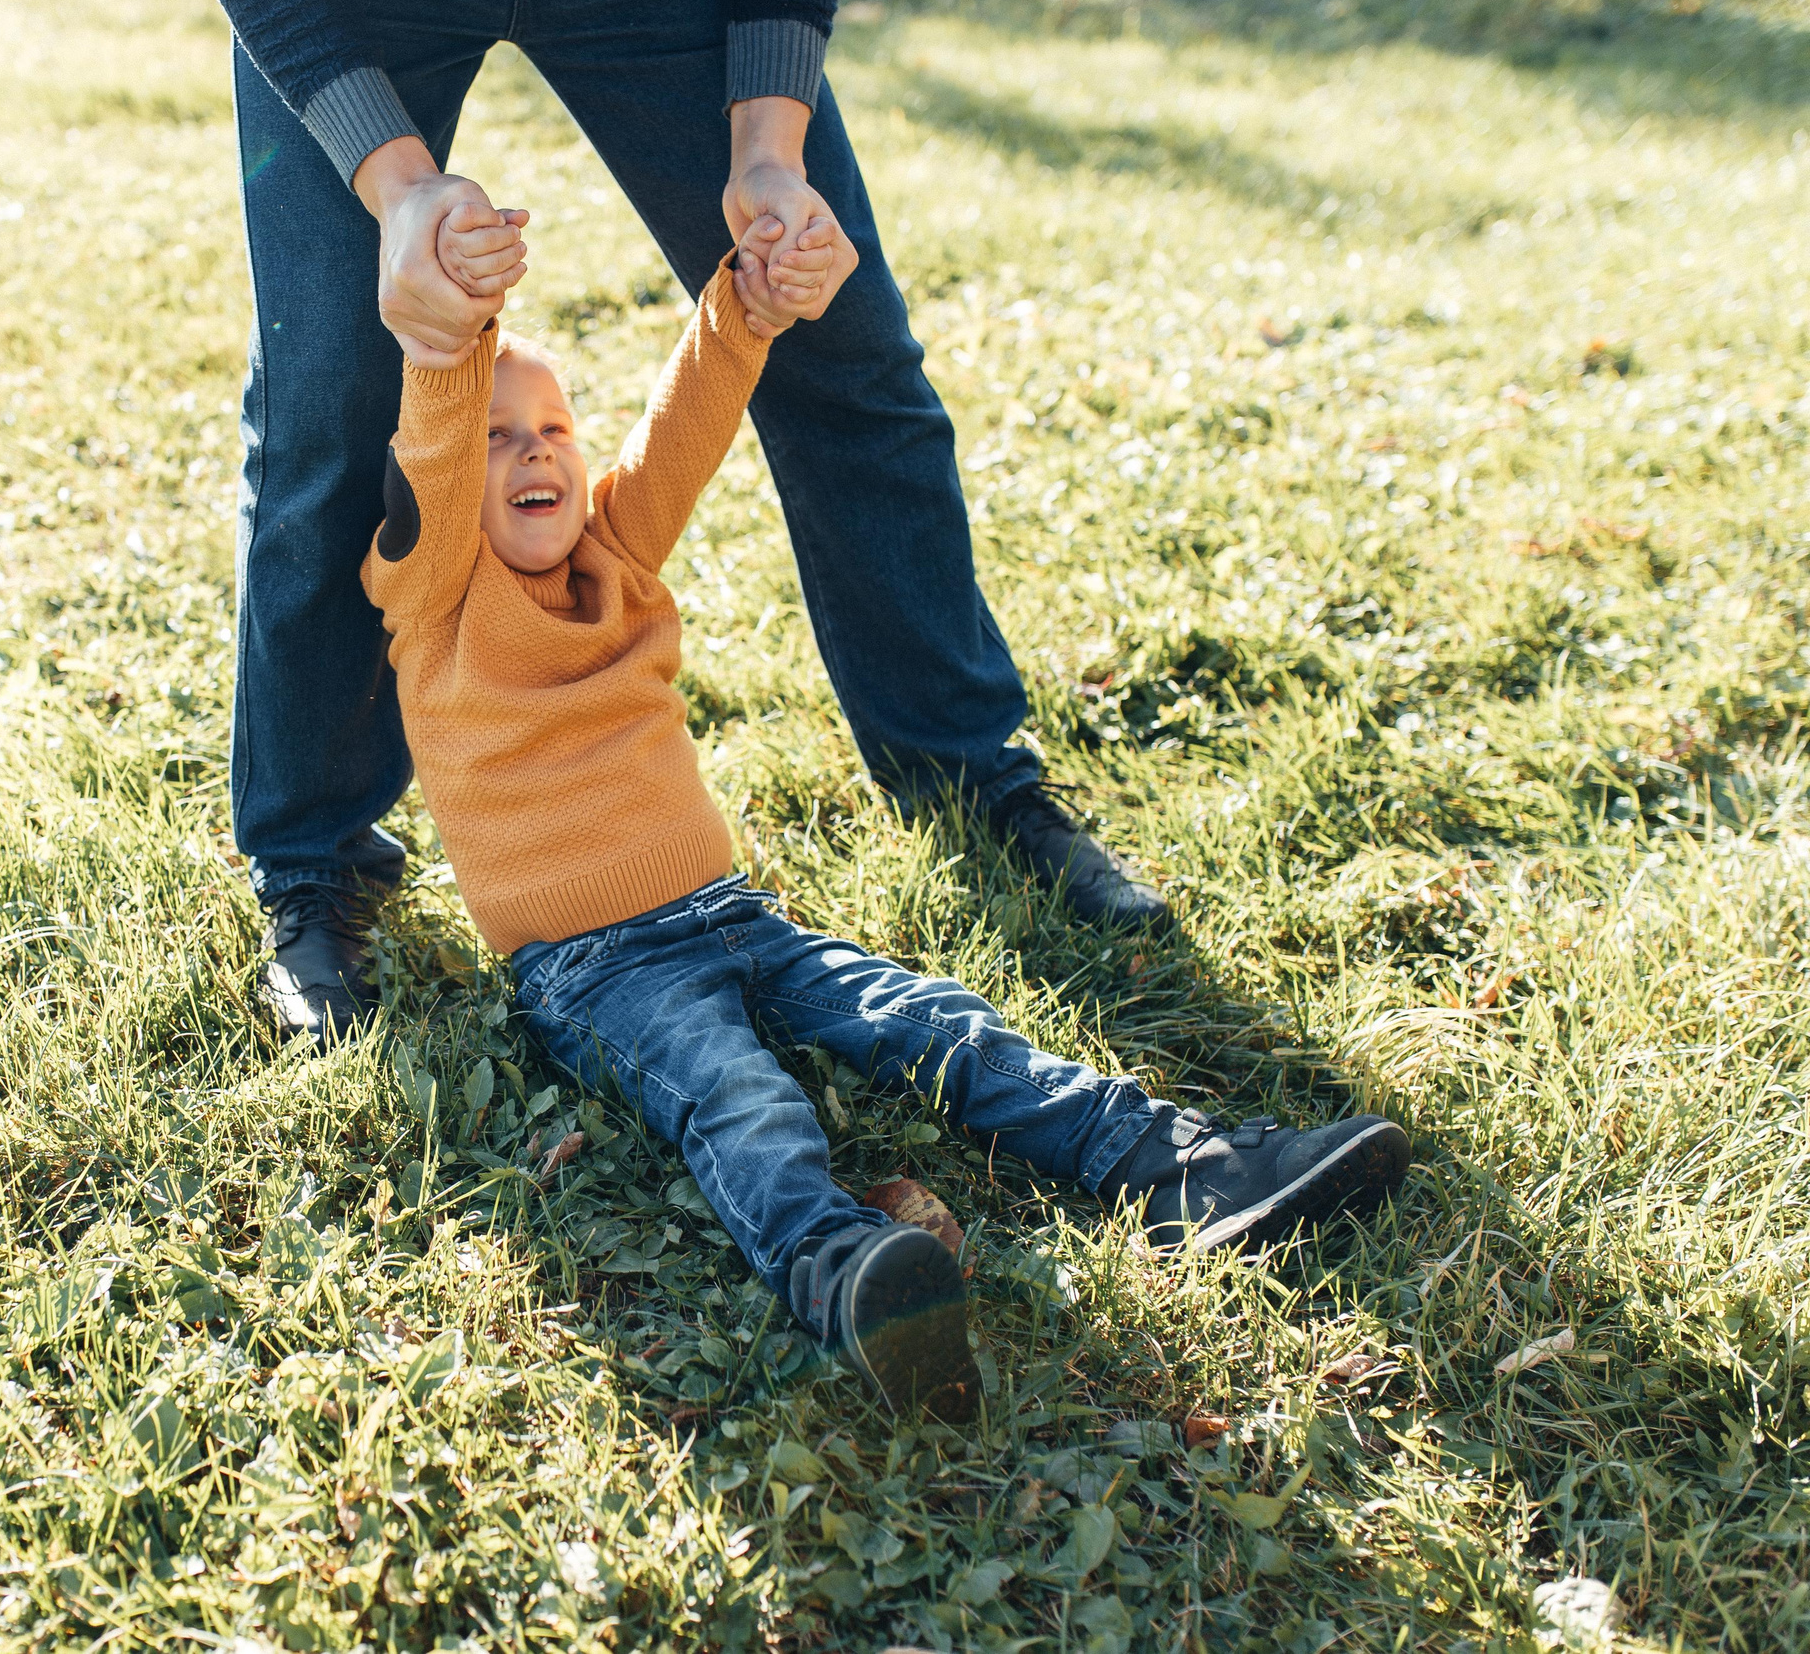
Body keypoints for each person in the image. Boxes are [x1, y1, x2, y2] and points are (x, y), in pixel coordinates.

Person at [361, 225, 1414, 1416]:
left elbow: (690, 421)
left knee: (938, 1023)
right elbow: (435, 444)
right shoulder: (435, 598)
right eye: (499, 439)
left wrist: (745, 306)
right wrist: (455, 338)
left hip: (735, 918)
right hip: (594, 973)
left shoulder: (617, 557)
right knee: (741, 1098)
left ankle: (1183, 1170)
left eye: (553, 429)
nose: (531, 453)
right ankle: (840, 1266)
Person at [196, 0, 1172, 1048]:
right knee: (329, 405)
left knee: (830, 331)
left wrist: (768, 151)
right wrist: (401, 189)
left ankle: (967, 777)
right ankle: (314, 866)